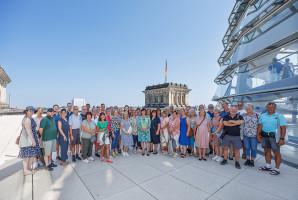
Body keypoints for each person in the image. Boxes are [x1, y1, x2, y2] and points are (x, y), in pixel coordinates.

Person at [257, 102, 286, 175]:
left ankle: (277, 169)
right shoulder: (263, 115)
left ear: (275, 108)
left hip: (274, 137)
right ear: (266, 108)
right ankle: (268, 166)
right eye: (268, 107)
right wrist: (257, 134)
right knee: (267, 151)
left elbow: (283, 128)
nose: (270, 109)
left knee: (276, 153)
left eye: (272, 107)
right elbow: (260, 125)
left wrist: (282, 138)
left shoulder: (279, 116)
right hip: (265, 136)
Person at [19, 106, 40, 175]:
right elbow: (28, 131)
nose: (31, 112)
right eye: (30, 110)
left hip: (32, 138)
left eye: (32, 110)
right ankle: (25, 170)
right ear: (26, 111)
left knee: (31, 154)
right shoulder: (27, 119)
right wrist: (33, 140)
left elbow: (33, 130)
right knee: (26, 155)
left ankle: (28, 168)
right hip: (27, 139)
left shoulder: (31, 118)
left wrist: (36, 137)